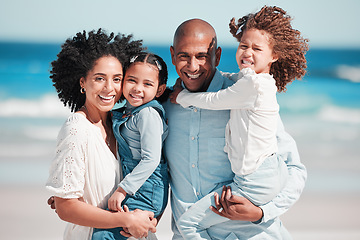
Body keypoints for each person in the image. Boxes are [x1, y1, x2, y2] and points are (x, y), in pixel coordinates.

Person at [169, 6, 309, 239]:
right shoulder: (164, 106)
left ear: (217, 55)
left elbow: (293, 169)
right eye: (184, 56)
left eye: (202, 56)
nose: (192, 66)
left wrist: (261, 212)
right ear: (173, 55)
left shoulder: (245, 98)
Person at [45, 29, 157, 240]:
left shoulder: (124, 123)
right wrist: (126, 220)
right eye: (99, 78)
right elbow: (66, 208)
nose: (109, 88)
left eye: (117, 79)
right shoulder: (77, 129)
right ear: (82, 82)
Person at [92, 52, 169, 240]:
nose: (137, 89)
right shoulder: (129, 112)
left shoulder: (148, 114)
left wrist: (122, 190)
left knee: (105, 235)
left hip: (146, 188)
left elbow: (151, 159)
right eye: (132, 80)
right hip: (138, 185)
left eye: (147, 84)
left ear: (159, 90)